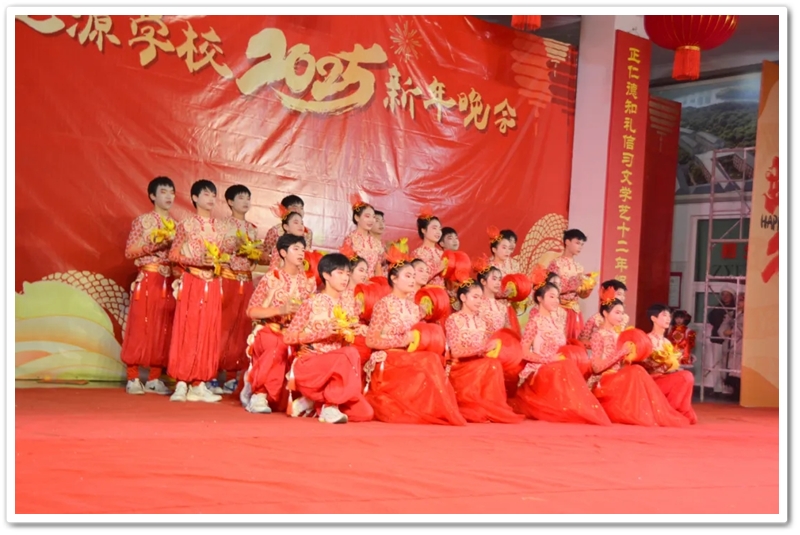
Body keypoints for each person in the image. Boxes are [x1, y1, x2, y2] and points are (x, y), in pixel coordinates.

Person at [364, 246, 466, 425]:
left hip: (410, 355)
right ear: (394, 278)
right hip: (390, 356)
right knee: (428, 360)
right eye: (407, 276)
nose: (412, 280)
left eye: (413, 276)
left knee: (433, 358)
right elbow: (371, 340)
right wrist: (403, 340)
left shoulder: (414, 308)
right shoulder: (384, 304)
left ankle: (436, 410)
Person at [282, 253, 374, 424]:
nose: (345, 278)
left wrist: (355, 330)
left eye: (347, 274)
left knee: (365, 413)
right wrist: (321, 333)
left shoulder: (348, 305)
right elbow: (288, 337)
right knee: (350, 353)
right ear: (326, 275)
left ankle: (313, 402)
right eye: (340, 273)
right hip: (311, 364)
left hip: (337, 370)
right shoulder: (312, 302)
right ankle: (329, 406)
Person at [511, 276, 611, 426]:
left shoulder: (558, 323)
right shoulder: (534, 322)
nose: (556, 301)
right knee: (565, 366)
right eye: (551, 297)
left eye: (557, 297)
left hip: (558, 364)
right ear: (539, 298)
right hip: (541, 367)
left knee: (567, 365)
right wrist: (547, 360)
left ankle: (579, 411)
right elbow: (523, 352)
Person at [588, 290, 689, 427]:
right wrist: (621, 353)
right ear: (605, 313)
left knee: (637, 370)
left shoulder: (622, 335)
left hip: (623, 376)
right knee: (636, 371)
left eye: (622, 313)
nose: (621, 317)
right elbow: (596, 368)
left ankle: (660, 412)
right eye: (617, 313)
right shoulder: (598, 335)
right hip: (606, 378)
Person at [240, 234, 315, 414]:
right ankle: (259, 394)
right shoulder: (271, 278)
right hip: (271, 330)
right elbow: (252, 311)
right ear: (283, 252)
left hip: (296, 334)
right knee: (277, 344)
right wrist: (279, 310)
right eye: (295, 249)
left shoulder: (309, 282)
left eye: (303, 249)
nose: (301, 253)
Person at [166, 179, 226, 403]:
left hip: (213, 283)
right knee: (188, 328)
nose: (211, 199)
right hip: (192, 280)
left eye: (213, 195)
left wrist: (219, 262)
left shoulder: (221, 228)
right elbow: (173, 255)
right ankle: (181, 382)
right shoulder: (186, 225)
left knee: (208, 330)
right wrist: (197, 260)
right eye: (206, 194)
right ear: (194, 198)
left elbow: (224, 257)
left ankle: (199, 383)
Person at [120, 176, 178, 396]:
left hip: (169, 281)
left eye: (172, 192)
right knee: (140, 325)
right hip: (148, 277)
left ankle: (154, 378)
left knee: (163, 327)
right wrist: (155, 244)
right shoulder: (143, 221)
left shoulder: (177, 226)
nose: (169, 196)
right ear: (153, 196)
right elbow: (130, 251)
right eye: (163, 191)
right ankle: (133, 377)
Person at [444, 278, 524, 424]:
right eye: (475, 297)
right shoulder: (453, 320)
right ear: (463, 297)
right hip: (460, 368)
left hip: (480, 365)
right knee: (490, 365)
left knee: (494, 363)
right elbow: (455, 351)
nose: (479, 301)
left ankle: (490, 407)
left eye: (481, 297)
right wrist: (480, 350)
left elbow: (485, 348)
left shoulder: (481, 322)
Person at [213, 184, 259, 395]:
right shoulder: (221, 225)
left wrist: (253, 253)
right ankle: (212, 373)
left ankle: (232, 376)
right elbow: (214, 251)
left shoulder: (252, 229)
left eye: (248, 198)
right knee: (221, 326)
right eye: (241, 198)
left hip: (245, 281)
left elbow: (257, 258)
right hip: (227, 279)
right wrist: (234, 247)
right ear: (230, 202)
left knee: (241, 328)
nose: (245, 201)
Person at [642, 304, 698, 424]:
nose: (668, 318)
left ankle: (676, 410)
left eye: (669, 316)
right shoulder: (646, 339)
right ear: (653, 318)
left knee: (686, 375)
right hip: (652, 381)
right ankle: (670, 411)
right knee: (686, 376)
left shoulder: (667, 342)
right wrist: (661, 362)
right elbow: (643, 363)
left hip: (664, 378)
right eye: (664, 315)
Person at [547, 229, 597, 340]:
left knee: (574, 342)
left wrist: (587, 287)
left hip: (574, 311)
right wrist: (572, 286)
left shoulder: (579, 267)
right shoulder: (556, 264)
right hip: (559, 309)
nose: (580, 247)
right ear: (567, 242)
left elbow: (582, 295)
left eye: (582, 244)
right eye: (577, 243)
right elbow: (549, 289)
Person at [261, 195, 313, 267]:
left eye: (301, 208)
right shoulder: (275, 231)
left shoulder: (307, 232)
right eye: (295, 207)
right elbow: (265, 254)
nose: (299, 211)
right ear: (284, 209)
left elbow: (307, 254)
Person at [341, 194, 385, 277]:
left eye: (373, 217)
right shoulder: (350, 239)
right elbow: (345, 267)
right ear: (357, 217)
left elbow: (378, 268)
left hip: (372, 283)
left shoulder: (376, 242)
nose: (371, 220)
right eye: (367, 216)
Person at [579, 279, 629, 346]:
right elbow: (583, 340)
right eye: (619, 294)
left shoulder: (624, 318)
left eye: (624, 295)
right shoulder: (594, 319)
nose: (622, 297)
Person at [705, 286, 736, 394]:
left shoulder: (735, 309)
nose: (725, 297)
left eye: (728, 295)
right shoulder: (717, 308)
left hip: (730, 340)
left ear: (732, 296)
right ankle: (717, 386)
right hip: (717, 339)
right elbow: (712, 319)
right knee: (716, 363)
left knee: (728, 364)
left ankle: (728, 387)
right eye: (723, 294)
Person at [411, 207, 445, 287]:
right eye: (434, 228)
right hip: (426, 292)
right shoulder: (417, 253)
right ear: (423, 230)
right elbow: (416, 278)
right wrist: (439, 268)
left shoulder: (442, 253)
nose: (438, 232)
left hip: (442, 292)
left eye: (440, 229)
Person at [721, 292, 745, 400]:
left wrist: (733, 331)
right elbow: (723, 326)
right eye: (738, 300)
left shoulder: (750, 315)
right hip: (732, 343)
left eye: (741, 300)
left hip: (742, 344)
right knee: (732, 367)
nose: (739, 303)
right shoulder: (733, 313)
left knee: (739, 368)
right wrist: (725, 331)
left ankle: (740, 392)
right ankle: (735, 391)